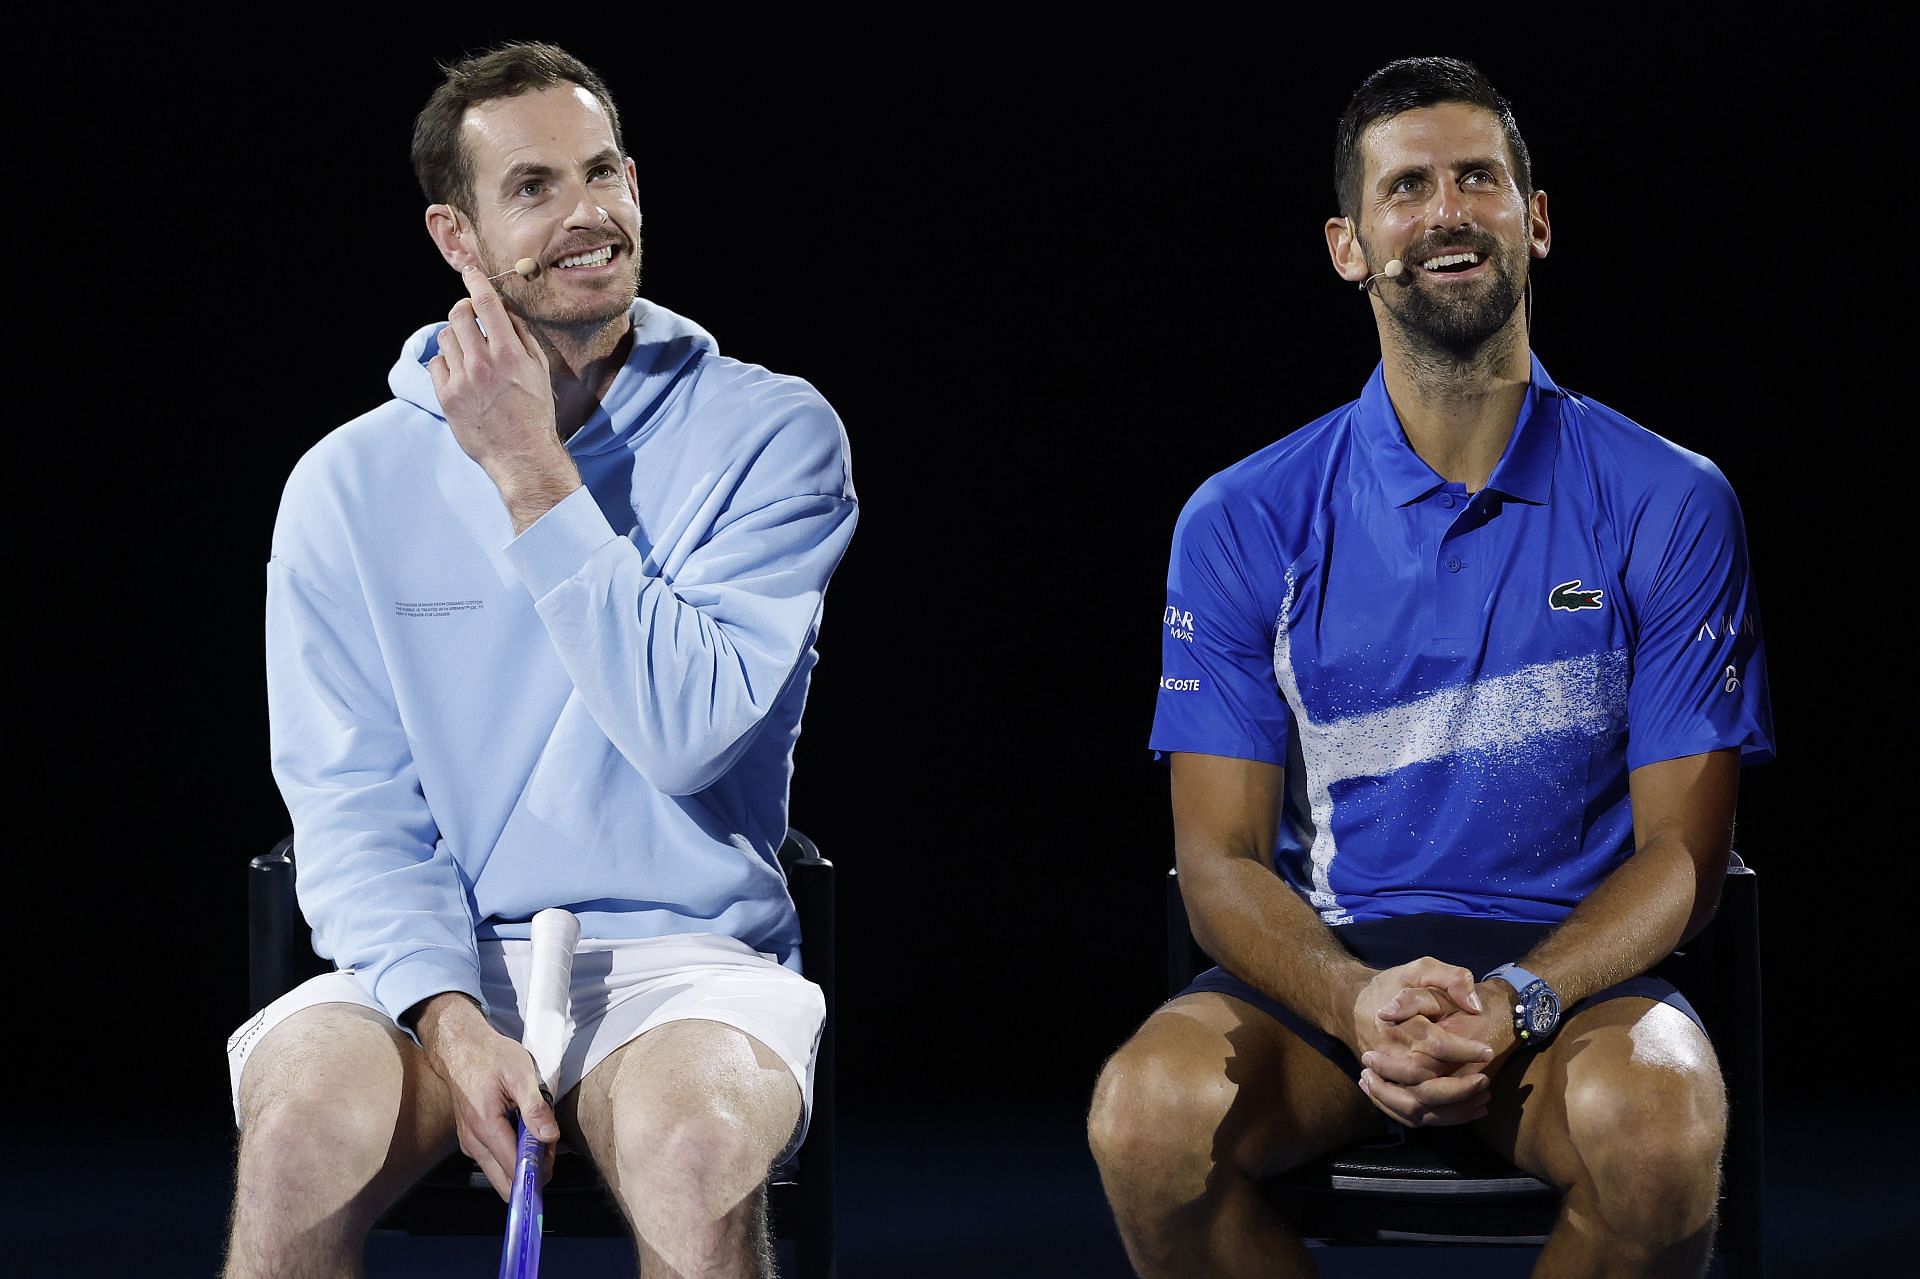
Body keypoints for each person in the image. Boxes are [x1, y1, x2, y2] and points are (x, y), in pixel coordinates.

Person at [1088, 56, 1771, 1278]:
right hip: (1332, 990)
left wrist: (1517, 999)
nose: (1446, 212)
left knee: (1661, 1130)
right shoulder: (1243, 516)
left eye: (1478, 179)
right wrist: (1356, 1002)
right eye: (1408, 188)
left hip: (1576, 996)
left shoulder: (1671, 499)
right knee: (1143, 1116)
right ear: (1350, 246)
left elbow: (1684, 855)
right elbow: (1218, 858)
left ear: (1536, 220)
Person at [222, 42, 857, 1278]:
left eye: (604, 171)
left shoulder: (774, 433)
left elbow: (684, 728)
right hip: (425, 968)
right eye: (534, 188)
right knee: (297, 1138)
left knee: (693, 1148)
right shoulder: (345, 482)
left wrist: (529, 472)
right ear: (454, 234)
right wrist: (450, 1019)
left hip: (688, 961)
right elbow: (350, 806)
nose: (588, 215)